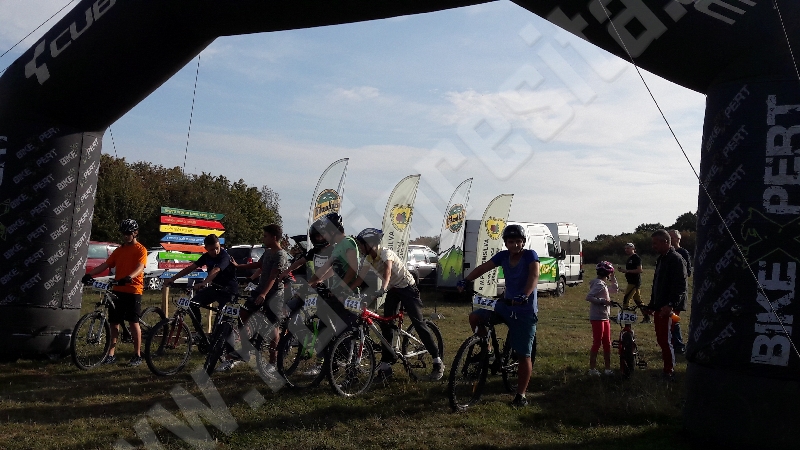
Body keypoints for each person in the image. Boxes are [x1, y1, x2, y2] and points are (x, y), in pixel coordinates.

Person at [456, 224, 539, 407]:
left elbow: (534, 276)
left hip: (524, 310)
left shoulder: (530, 255)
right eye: (511, 241)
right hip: (505, 305)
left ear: (523, 242)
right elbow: (483, 268)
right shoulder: (503, 256)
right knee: (475, 317)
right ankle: (489, 351)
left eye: (518, 241)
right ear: (506, 243)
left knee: (523, 355)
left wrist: (525, 295)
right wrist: (466, 280)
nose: (515, 245)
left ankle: (521, 395)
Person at [351, 228, 444, 380]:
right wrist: (345, 290)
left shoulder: (385, 253)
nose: (360, 247)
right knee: (386, 324)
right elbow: (360, 279)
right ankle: (386, 365)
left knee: (418, 323)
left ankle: (437, 361)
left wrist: (383, 287)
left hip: (407, 288)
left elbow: (387, 270)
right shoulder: (368, 259)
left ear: (370, 244)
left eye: (361, 244)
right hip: (394, 289)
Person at [222, 224, 289, 371]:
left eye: (265, 236)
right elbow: (260, 265)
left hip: (274, 295)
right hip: (259, 290)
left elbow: (273, 277)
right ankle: (245, 350)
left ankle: (273, 361)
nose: (263, 238)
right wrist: (239, 266)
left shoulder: (280, 255)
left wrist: (264, 294)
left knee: (273, 327)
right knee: (243, 314)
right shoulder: (268, 252)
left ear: (274, 237)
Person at [82, 219, 148, 367]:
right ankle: (111, 355)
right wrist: (90, 274)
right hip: (118, 289)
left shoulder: (141, 249)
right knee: (114, 323)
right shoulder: (119, 251)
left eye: (128, 233)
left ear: (135, 233)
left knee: (133, 322)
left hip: (133, 289)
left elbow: (140, 267)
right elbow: (106, 265)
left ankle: (137, 355)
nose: (125, 236)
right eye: (123, 233)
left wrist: (129, 277)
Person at [163, 234, 239, 350]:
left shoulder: (224, 256)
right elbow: (190, 268)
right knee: (193, 304)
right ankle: (199, 334)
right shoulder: (206, 256)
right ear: (206, 248)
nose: (215, 251)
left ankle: (228, 351)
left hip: (229, 290)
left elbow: (216, 270)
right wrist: (173, 278)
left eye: (217, 248)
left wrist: (204, 282)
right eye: (212, 249)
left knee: (224, 320)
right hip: (215, 288)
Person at [648, 229, 688, 381]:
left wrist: (671, 305)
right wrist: (652, 305)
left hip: (670, 307)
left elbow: (681, 286)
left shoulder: (676, 259)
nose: (653, 246)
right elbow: (657, 284)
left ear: (665, 242)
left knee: (667, 339)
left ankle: (669, 372)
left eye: (655, 243)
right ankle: (666, 369)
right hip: (660, 305)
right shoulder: (661, 259)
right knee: (661, 338)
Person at [307, 213, 360, 325]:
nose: (324, 236)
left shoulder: (348, 242)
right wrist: (309, 284)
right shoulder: (337, 247)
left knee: (348, 330)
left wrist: (341, 287)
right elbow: (324, 269)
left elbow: (353, 269)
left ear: (332, 231)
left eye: (325, 232)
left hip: (349, 294)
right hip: (337, 294)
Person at [586, 261, 619, 376]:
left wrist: (613, 277)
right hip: (597, 317)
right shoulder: (599, 284)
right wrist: (604, 301)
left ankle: (607, 369)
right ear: (607, 273)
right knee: (597, 342)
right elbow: (589, 297)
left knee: (607, 343)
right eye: (610, 273)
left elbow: (615, 289)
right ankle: (592, 369)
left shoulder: (602, 284)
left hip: (605, 317)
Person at [668, 229, 691, 354]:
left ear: (678, 239)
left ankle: (679, 344)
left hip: (677, 292)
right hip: (667, 291)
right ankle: (672, 342)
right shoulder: (666, 253)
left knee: (674, 318)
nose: (670, 239)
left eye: (672, 237)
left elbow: (688, 272)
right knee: (669, 318)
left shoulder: (683, 253)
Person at [618, 243, 650, 323]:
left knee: (626, 299)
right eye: (625, 248)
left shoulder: (636, 258)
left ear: (633, 249)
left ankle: (625, 318)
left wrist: (627, 271)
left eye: (628, 248)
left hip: (634, 283)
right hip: (630, 282)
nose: (626, 250)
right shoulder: (629, 258)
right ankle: (647, 318)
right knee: (638, 301)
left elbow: (640, 270)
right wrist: (623, 271)